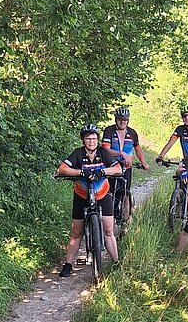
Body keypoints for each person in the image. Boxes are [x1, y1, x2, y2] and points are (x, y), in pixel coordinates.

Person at [56, 124, 123, 277]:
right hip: (81, 194)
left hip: (102, 193)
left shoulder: (103, 152)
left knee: (108, 230)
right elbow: (62, 169)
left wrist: (102, 172)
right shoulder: (78, 153)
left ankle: (116, 262)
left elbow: (118, 169)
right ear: (83, 140)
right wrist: (81, 172)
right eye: (88, 138)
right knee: (76, 232)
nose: (91, 141)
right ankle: (68, 265)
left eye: (94, 138)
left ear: (97, 140)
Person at [102, 105, 148, 223]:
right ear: (116, 119)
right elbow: (105, 150)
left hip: (127, 167)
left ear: (128, 120)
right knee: (110, 193)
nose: (122, 121)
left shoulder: (132, 133)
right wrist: (121, 153)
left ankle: (125, 221)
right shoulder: (109, 131)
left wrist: (143, 162)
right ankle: (107, 216)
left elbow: (138, 149)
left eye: (125, 119)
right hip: (112, 167)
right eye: (120, 119)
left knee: (125, 193)